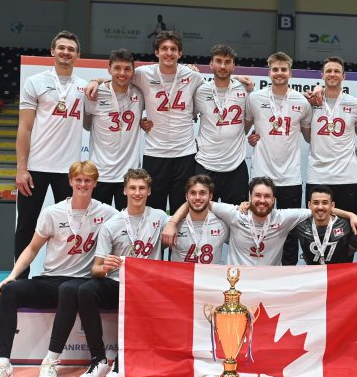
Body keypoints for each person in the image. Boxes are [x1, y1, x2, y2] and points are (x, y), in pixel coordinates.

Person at [0, 161, 117, 377]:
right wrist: (12, 275)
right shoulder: (52, 212)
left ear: (95, 183)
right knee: (10, 291)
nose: (82, 184)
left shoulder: (108, 213)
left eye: (88, 180)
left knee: (69, 288)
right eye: (78, 180)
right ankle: (2, 364)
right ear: (70, 181)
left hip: (82, 284)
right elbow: (33, 248)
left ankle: (50, 361)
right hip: (51, 280)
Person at [86, 30, 205, 213]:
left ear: (180, 53)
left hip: (185, 153)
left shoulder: (193, 76)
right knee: (153, 212)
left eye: (173, 49)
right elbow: (119, 76)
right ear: (156, 52)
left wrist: (239, 79)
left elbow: (218, 85)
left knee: (181, 210)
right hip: (155, 153)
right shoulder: (142, 74)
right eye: (164, 48)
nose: (169, 53)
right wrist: (96, 80)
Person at [86, 168, 169, 377]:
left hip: (146, 285)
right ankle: (99, 358)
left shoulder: (160, 217)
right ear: (124, 190)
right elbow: (94, 269)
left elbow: (187, 208)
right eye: (132, 188)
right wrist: (105, 266)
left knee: (138, 293)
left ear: (149, 191)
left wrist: (172, 224)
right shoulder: (111, 224)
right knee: (84, 291)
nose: (137, 193)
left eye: (142, 188)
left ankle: (121, 360)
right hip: (116, 282)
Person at [163, 176, 357, 267]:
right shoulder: (235, 214)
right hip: (235, 283)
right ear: (250, 198)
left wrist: (351, 215)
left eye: (267, 196)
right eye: (257, 196)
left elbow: (320, 208)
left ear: (273, 200)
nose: (262, 200)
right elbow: (198, 201)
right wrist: (172, 223)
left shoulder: (283, 217)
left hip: (269, 285)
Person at [15, 30, 87, 279]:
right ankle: (18, 281)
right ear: (53, 51)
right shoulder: (35, 82)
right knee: (26, 226)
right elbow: (24, 128)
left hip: (69, 171)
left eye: (71, 49)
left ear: (78, 55)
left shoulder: (83, 87)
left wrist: (98, 83)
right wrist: (21, 169)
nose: (66, 52)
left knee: (70, 229)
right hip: (36, 167)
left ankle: (63, 280)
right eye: (62, 48)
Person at [245, 52, 313, 265]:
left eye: (283, 69)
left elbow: (310, 136)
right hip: (261, 176)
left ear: (290, 73)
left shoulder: (302, 102)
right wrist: (251, 138)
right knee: (257, 228)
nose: (279, 73)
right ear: (269, 72)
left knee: (290, 233)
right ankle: (258, 271)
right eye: (275, 69)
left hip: (290, 177)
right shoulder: (254, 99)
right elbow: (245, 129)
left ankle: (288, 276)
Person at [83, 49, 145, 208]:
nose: (122, 73)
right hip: (100, 173)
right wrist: (96, 81)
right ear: (109, 69)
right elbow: (86, 125)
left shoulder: (140, 94)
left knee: (126, 227)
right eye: (117, 68)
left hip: (129, 175)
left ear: (133, 71)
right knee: (98, 227)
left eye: (127, 69)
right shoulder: (94, 93)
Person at [304, 56, 357, 213]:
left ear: (344, 76)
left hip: (346, 176)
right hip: (317, 175)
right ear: (322, 75)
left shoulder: (356, 104)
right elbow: (307, 137)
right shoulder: (310, 102)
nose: (332, 74)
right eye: (328, 71)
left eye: (337, 71)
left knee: (347, 228)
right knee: (315, 227)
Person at [193, 44, 251, 205]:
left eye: (228, 62)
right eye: (218, 61)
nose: (223, 66)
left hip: (236, 166)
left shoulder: (245, 89)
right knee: (202, 216)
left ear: (234, 66)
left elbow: (253, 117)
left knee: (237, 219)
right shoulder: (200, 91)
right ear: (211, 64)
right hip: (205, 164)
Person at [168, 175, 229, 264]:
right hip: (181, 277)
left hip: (209, 277)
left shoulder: (222, 225)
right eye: (193, 193)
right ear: (186, 196)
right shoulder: (171, 225)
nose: (197, 197)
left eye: (202, 193)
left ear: (210, 196)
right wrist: (171, 224)